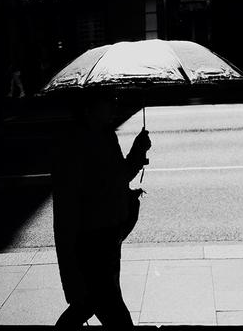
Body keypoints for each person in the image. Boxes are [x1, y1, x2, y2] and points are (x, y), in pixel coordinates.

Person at [52, 90, 151, 328]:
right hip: (91, 241)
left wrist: (138, 152)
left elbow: (119, 177)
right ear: (88, 109)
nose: (114, 106)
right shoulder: (75, 145)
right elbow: (67, 209)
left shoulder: (106, 136)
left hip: (109, 235)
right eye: (107, 101)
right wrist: (70, 271)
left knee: (92, 303)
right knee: (108, 308)